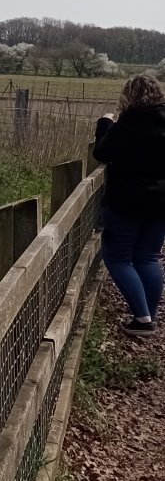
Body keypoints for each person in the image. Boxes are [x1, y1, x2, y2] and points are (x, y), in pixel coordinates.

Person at [93, 74, 165, 337]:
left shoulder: (127, 124)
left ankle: (143, 318)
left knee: (118, 257)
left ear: (128, 96)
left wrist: (104, 124)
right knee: (148, 256)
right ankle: (149, 314)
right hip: (161, 203)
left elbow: (102, 152)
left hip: (127, 202)